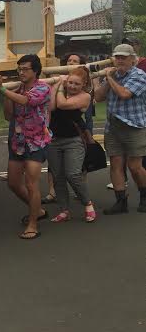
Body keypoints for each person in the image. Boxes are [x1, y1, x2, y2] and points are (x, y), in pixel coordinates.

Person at [0, 54, 52, 240]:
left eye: (25, 69)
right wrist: (6, 94)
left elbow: (28, 101)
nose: (21, 72)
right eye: (19, 69)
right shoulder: (16, 89)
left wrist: (2, 89)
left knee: (31, 183)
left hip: (36, 141)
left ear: (35, 70)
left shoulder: (43, 87)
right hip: (17, 141)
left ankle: (33, 224)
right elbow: (8, 116)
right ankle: (38, 211)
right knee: (13, 183)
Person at [94, 43, 146, 214]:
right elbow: (99, 97)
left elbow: (124, 94)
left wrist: (110, 78)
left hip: (134, 126)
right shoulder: (111, 74)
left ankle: (144, 196)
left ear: (133, 59)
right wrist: (107, 79)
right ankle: (120, 202)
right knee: (115, 164)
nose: (120, 60)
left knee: (134, 166)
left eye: (124, 57)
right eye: (117, 57)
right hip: (113, 126)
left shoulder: (139, 75)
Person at [48, 67, 97, 223]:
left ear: (83, 85)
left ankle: (88, 204)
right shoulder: (60, 90)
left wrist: (60, 86)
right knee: (58, 176)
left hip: (73, 140)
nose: (72, 86)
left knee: (73, 174)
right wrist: (56, 84)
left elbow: (62, 105)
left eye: (77, 84)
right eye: (70, 82)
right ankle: (64, 210)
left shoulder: (85, 97)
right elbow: (51, 107)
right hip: (54, 140)